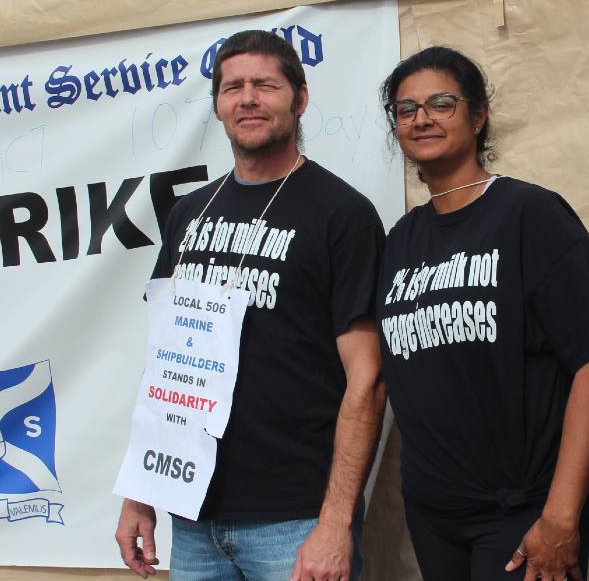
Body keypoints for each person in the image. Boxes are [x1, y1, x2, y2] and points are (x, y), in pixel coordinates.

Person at [114, 30, 386, 581]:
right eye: (233, 87)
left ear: (300, 98)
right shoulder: (189, 214)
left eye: (265, 85)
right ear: (217, 104)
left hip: (296, 518)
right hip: (192, 515)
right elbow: (169, 361)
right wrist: (140, 493)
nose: (248, 99)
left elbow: (369, 379)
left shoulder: (342, 214)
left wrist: (335, 522)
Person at [377, 46, 589, 581]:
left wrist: (560, 518)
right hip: (434, 517)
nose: (422, 118)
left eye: (442, 102)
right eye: (405, 108)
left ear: (479, 114)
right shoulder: (400, 240)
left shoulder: (530, 215)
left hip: (520, 514)